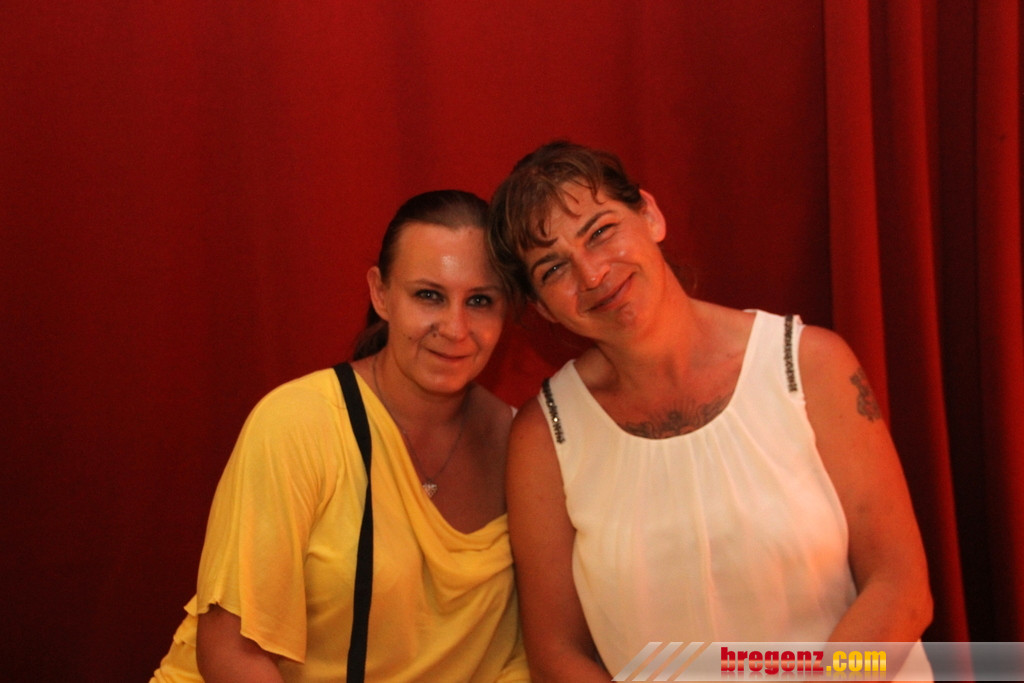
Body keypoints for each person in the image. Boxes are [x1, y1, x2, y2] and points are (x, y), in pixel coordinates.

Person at [487, 141, 934, 681]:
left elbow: (900, 586)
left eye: (600, 231)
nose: (593, 274)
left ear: (650, 215)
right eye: (554, 267)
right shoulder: (544, 437)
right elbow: (557, 652)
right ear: (541, 307)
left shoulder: (809, 363)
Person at [152, 190, 529, 682]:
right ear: (381, 294)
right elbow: (231, 651)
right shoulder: (298, 422)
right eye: (428, 295)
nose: (455, 328)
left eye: (479, 300)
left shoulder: (526, 445)